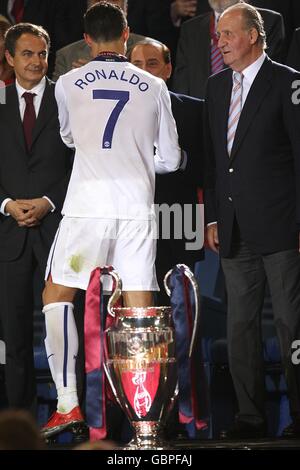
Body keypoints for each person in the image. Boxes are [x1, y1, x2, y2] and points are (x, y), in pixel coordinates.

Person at [41, 2, 181, 437]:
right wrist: (139, 162)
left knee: (58, 293)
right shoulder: (154, 85)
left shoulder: (65, 83)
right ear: (128, 36)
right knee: (140, 307)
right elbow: (172, 159)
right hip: (135, 211)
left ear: (86, 39)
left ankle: (67, 405)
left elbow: (68, 137)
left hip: (87, 212)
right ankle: (145, 420)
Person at [204, 2, 300, 439]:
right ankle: (249, 418)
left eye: (227, 33)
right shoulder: (216, 86)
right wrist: (212, 218)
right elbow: (214, 160)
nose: (219, 41)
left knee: (290, 325)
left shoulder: (287, 82)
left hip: (283, 228)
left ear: (253, 36)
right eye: (218, 34)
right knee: (239, 329)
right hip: (233, 229)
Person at [0, 23, 72, 413]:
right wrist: (7, 204)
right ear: (10, 58)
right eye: (27, 54)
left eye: (42, 53)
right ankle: (20, 423)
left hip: (56, 234)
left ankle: (69, 414)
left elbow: (81, 164)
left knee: (63, 335)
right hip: (8, 237)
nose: (36, 62)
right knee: (14, 340)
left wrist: (47, 201)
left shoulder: (68, 99)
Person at [130, 39, 204, 304]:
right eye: (137, 64)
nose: (145, 70)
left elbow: (209, 167)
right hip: (131, 219)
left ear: (168, 69)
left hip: (181, 218)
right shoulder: (114, 112)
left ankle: (186, 349)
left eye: (152, 63)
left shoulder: (196, 109)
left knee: (183, 306)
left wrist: (177, 159)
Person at [172, 0, 285, 98]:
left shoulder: (268, 21)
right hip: (199, 118)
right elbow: (182, 86)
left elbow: (266, 79)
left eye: (228, 33)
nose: (220, 43)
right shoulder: (190, 29)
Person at [52, 0, 148, 82]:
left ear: (126, 7)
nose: (106, 3)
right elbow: (56, 99)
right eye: (98, 0)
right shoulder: (66, 55)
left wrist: (96, 71)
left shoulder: (153, 50)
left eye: (114, 0)